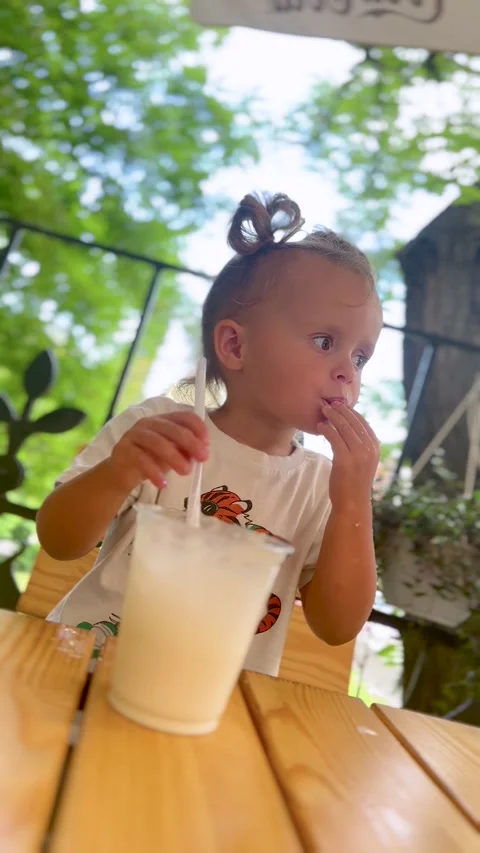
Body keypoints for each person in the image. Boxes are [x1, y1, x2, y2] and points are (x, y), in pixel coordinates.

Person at [37, 193, 383, 675]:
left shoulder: (322, 487)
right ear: (235, 345)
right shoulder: (157, 430)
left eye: (361, 357)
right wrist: (117, 473)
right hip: (85, 670)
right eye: (326, 342)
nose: (348, 371)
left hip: (211, 704)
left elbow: (337, 626)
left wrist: (352, 501)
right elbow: (59, 540)